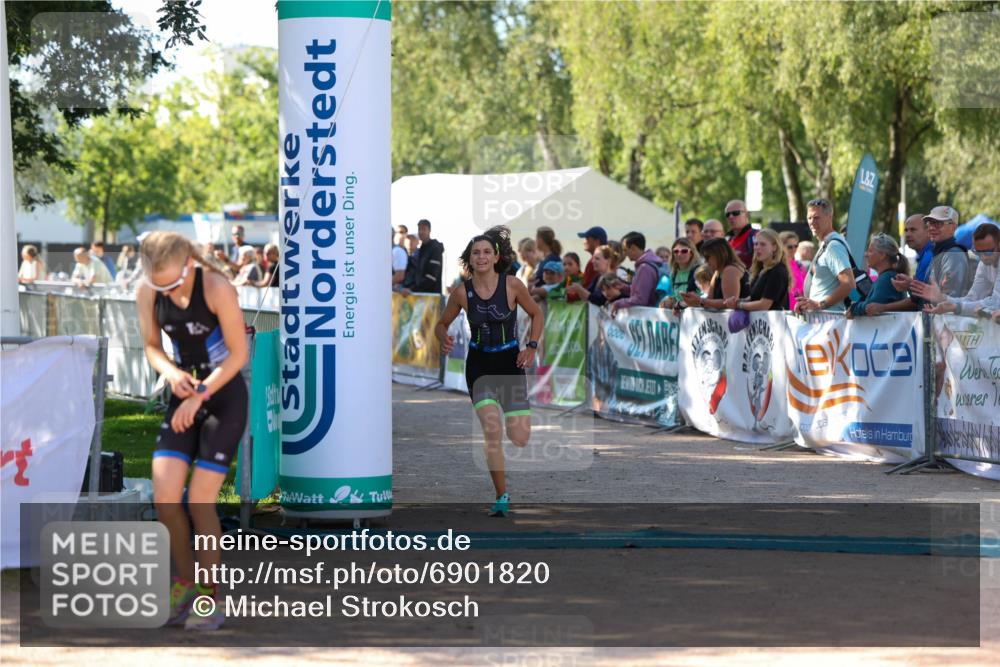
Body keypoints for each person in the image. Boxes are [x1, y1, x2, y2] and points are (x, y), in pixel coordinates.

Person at [135, 231, 248, 630]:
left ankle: (207, 596)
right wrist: (171, 374)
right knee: (166, 495)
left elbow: (239, 354)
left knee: (200, 500)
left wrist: (199, 394)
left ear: (189, 264)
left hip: (222, 396)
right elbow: (151, 345)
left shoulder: (216, 287)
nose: (168, 291)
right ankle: (183, 585)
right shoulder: (148, 290)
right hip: (184, 393)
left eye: (174, 282)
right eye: (159, 284)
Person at [434, 226, 543, 517]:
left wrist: (530, 346)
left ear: (496, 257)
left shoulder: (513, 285)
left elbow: (536, 313)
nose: (481, 257)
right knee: (491, 430)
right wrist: (442, 336)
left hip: (510, 363)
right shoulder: (461, 292)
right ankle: (502, 496)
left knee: (520, 438)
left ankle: (513, 419)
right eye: (475, 253)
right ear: (469, 260)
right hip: (480, 365)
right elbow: (441, 323)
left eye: (486, 252)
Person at [897, 206, 971, 307]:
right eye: (930, 223)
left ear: (953, 227)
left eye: (939, 224)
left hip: (945, 322)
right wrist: (911, 285)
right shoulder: (939, 253)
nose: (932, 228)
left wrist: (911, 285)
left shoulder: (953, 255)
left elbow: (949, 301)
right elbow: (930, 297)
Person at [923, 223, 1000, 316]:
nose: (983, 257)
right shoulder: (983, 264)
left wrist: (955, 307)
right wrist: (943, 298)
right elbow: (972, 298)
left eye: (988, 251)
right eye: (978, 252)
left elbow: (996, 303)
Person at [795, 199, 856, 313]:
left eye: (816, 217)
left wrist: (819, 305)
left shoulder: (833, 247)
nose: (812, 222)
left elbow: (849, 285)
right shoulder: (827, 244)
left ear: (829, 217)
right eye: (809, 218)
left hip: (829, 322)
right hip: (823, 321)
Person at [844, 233, 910, 318]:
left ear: (882, 255)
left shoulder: (886, 279)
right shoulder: (887, 277)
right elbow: (866, 302)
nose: (866, 254)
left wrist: (853, 309)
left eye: (870, 251)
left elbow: (870, 307)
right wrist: (851, 291)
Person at [725, 228, 790, 311]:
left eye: (762, 244)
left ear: (774, 247)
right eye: (756, 244)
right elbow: (755, 297)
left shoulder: (777, 270)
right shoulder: (761, 269)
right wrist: (739, 300)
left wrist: (738, 305)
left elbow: (764, 305)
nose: (757, 248)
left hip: (772, 322)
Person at [683, 237, 749, 309]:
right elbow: (710, 300)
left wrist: (700, 301)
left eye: (707, 257)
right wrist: (686, 303)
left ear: (719, 255)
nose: (705, 262)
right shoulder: (718, 272)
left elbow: (728, 303)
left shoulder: (730, 270)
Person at [609, 232, 666, 314]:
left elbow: (640, 299)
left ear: (633, 248)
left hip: (649, 316)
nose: (625, 254)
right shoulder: (646, 265)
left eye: (625, 250)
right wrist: (624, 287)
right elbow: (643, 290)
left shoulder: (644, 268)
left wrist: (618, 303)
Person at [402, 219, 444, 294]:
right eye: (419, 229)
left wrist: (413, 290)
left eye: (424, 229)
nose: (421, 232)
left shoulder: (435, 248)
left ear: (429, 231)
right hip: (421, 297)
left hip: (431, 298)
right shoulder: (421, 249)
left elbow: (431, 277)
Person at [659, 238, 701, 308]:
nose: (679, 254)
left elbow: (704, 297)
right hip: (679, 315)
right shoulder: (673, 274)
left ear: (691, 253)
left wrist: (681, 304)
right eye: (676, 251)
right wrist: (669, 301)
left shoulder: (698, 271)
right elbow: (676, 297)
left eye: (684, 251)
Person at [724, 200, 756, 268]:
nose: (731, 217)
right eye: (727, 214)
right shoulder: (726, 240)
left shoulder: (756, 236)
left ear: (747, 215)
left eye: (736, 213)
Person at [779, 231, 805, 311]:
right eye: (790, 247)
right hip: (782, 312)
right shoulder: (778, 267)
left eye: (796, 246)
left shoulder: (800, 266)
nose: (794, 249)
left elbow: (803, 291)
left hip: (798, 312)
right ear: (781, 246)